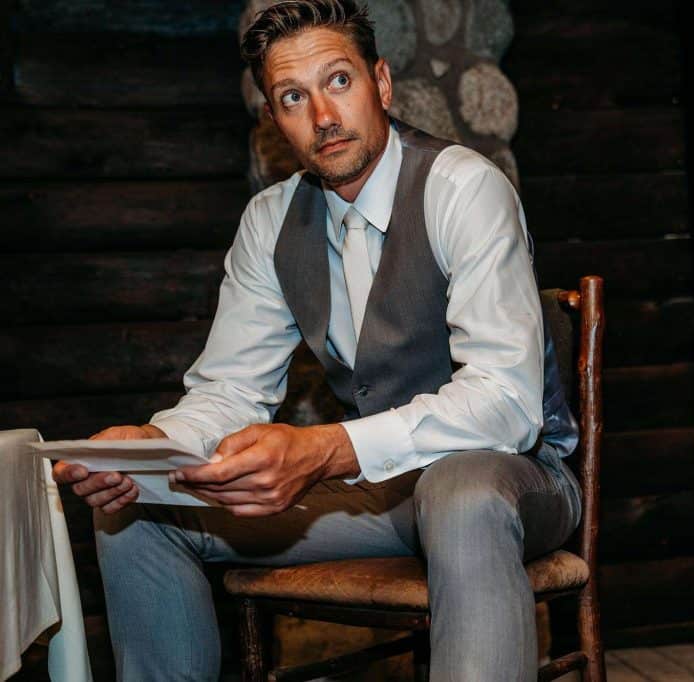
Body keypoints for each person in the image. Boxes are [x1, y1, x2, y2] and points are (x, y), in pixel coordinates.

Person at [50, 1, 582, 680]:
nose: (324, 116)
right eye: (293, 97)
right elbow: (230, 391)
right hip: (384, 496)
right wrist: (153, 447)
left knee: (461, 492)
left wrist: (326, 448)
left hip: (516, 478)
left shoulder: (464, 189)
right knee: (137, 511)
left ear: (380, 84)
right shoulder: (269, 222)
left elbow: (506, 403)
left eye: (339, 81)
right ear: (275, 121)